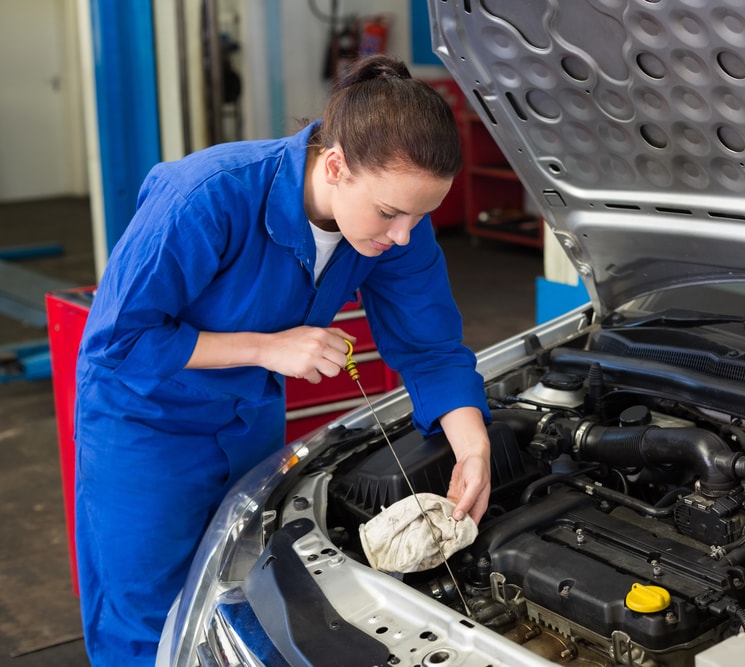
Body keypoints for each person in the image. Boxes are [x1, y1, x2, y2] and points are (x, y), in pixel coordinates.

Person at [73, 54, 492, 665]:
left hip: (249, 423)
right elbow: (117, 341)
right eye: (390, 214)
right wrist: (268, 348)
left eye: (421, 215)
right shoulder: (206, 195)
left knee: (239, 593)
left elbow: (430, 347)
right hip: (147, 428)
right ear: (335, 165)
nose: (404, 235)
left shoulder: (396, 225)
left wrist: (473, 444)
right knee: (147, 619)